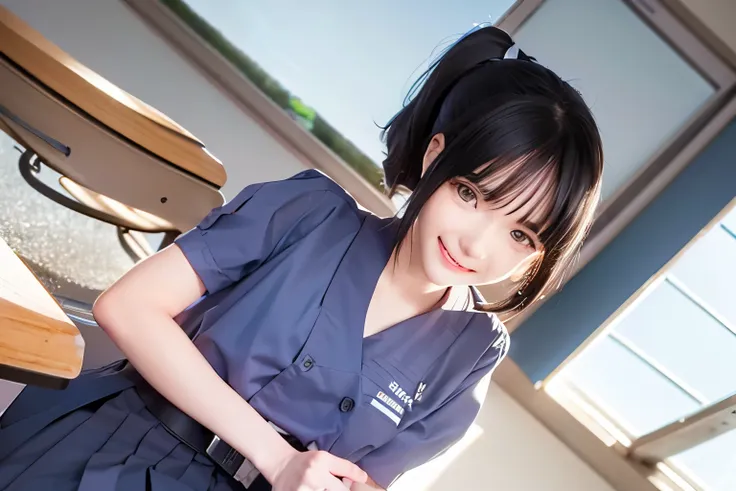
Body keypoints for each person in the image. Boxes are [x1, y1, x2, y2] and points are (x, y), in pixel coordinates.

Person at [0, 25, 603, 491]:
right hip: (119, 450)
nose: (477, 245)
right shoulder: (309, 213)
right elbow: (127, 308)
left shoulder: (470, 356)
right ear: (434, 159)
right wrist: (275, 455)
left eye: (522, 235)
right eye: (471, 195)